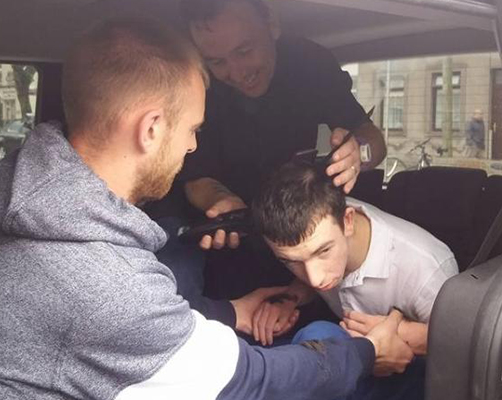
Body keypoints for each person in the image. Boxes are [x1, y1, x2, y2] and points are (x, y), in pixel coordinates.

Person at [0, 18, 407, 399]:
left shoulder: (30, 196)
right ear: (151, 128)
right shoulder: (104, 280)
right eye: (192, 129)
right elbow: (249, 382)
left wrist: (230, 313)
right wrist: (365, 352)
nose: (192, 147)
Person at [159, 0, 387, 335]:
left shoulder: (310, 64)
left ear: (272, 23)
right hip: (233, 243)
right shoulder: (199, 84)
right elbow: (195, 177)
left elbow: (373, 140)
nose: (237, 72)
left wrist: (359, 153)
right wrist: (220, 203)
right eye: (217, 62)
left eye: (244, 51)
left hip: (299, 235)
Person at [249, 161, 458, 366]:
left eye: (323, 251)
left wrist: (405, 333)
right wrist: (290, 298)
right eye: (292, 262)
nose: (315, 279)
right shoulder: (323, 220)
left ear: (348, 221)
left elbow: (460, 345)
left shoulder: (426, 268)